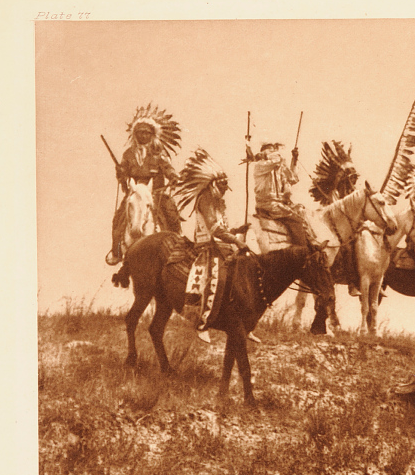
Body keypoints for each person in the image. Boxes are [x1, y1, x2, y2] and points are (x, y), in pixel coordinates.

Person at [173, 149, 248, 342]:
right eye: (222, 185)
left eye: (226, 185)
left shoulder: (218, 202)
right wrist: (236, 240)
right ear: (213, 184)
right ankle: (202, 322)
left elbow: (224, 229)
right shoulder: (205, 199)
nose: (225, 188)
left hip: (223, 246)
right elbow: (214, 230)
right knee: (217, 278)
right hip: (207, 247)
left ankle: (245, 322)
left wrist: (238, 230)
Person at [107, 105, 182, 266]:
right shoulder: (128, 154)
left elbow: (168, 169)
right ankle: (117, 251)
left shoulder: (158, 154)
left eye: (146, 132)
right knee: (119, 218)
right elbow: (124, 173)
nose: (143, 135)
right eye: (140, 132)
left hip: (156, 193)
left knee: (171, 213)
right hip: (135, 192)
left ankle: (177, 248)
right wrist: (121, 173)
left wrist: (174, 177)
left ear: (152, 134)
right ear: (135, 134)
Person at [247, 141, 309, 248]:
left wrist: (294, 160)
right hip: (269, 205)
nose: (274, 151)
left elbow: (293, 179)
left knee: (303, 213)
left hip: (280, 205)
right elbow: (277, 159)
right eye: (271, 150)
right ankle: (301, 251)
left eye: (274, 150)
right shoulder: (260, 166)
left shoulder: (278, 169)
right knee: (296, 221)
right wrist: (266, 155)